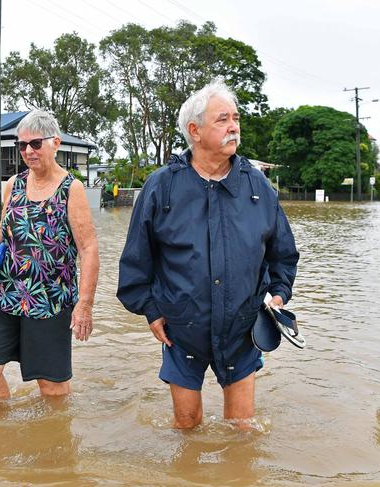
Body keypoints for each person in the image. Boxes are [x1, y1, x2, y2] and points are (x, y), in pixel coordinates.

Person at [117, 78, 299, 429]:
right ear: (194, 131)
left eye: (236, 118)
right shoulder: (161, 186)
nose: (233, 127)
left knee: (242, 432)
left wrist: (279, 293)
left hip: (243, 327)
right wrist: (152, 312)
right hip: (182, 327)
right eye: (222, 120)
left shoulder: (257, 185)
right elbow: (136, 262)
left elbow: (284, 253)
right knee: (186, 426)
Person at [0, 110, 99, 400]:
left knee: (51, 389)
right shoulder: (13, 184)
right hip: (4, 293)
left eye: (35, 144)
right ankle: (2, 435)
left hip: (49, 299)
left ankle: (52, 440)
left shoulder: (71, 189)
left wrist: (85, 305)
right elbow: (5, 228)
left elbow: (89, 248)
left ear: (55, 142)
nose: (28, 151)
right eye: (22, 145)